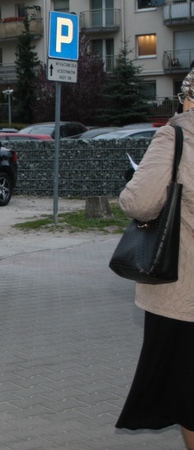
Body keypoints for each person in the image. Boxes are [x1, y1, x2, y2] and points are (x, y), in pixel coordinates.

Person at [115, 71, 194, 448]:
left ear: (185, 97)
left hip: (184, 293)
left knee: (188, 392)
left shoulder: (176, 135)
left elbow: (142, 201)